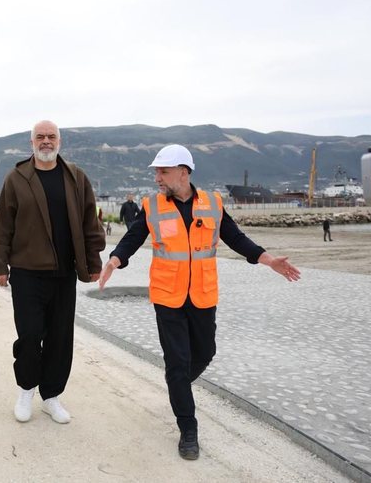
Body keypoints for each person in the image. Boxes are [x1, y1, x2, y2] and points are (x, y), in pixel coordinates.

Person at [98, 144, 301, 460]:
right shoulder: (151, 205)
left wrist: (268, 259)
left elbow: (236, 238)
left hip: (203, 295)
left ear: (183, 172)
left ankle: (176, 384)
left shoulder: (212, 204)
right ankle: (188, 428)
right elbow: (132, 238)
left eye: (163, 171)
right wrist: (115, 260)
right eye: (156, 172)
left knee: (205, 353)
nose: (157, 178)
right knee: (178, 362)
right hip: (168, 297)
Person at [0, 120, 106, 424]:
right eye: (40, 137)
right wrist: (0, 265)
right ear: (32, 142)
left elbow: (90, 222)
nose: (46, 141)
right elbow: (2, 226)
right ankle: (26, 389)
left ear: (59, 141)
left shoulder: (76, 177)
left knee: (60, 338)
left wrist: (93, 262)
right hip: (27, 273)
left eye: (51, 136)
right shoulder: (16, 178)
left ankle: (51, 396)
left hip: (63, 274)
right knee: (29, 336)